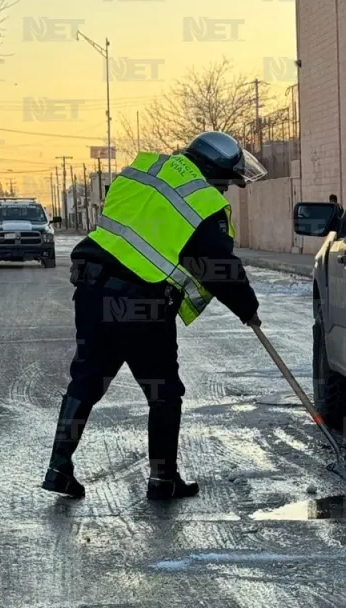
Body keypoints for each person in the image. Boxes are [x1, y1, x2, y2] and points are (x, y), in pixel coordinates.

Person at [42, 131, 267, 501]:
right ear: (213, 171)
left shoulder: (144, 169)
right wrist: (248, 308)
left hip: (92, 290)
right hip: (142, 303)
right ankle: (163, 480)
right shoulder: (201, 200)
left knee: (86, 381)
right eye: (227, 183)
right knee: (164, 392)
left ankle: (58, 467)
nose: (226, 191)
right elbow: (217, 267)